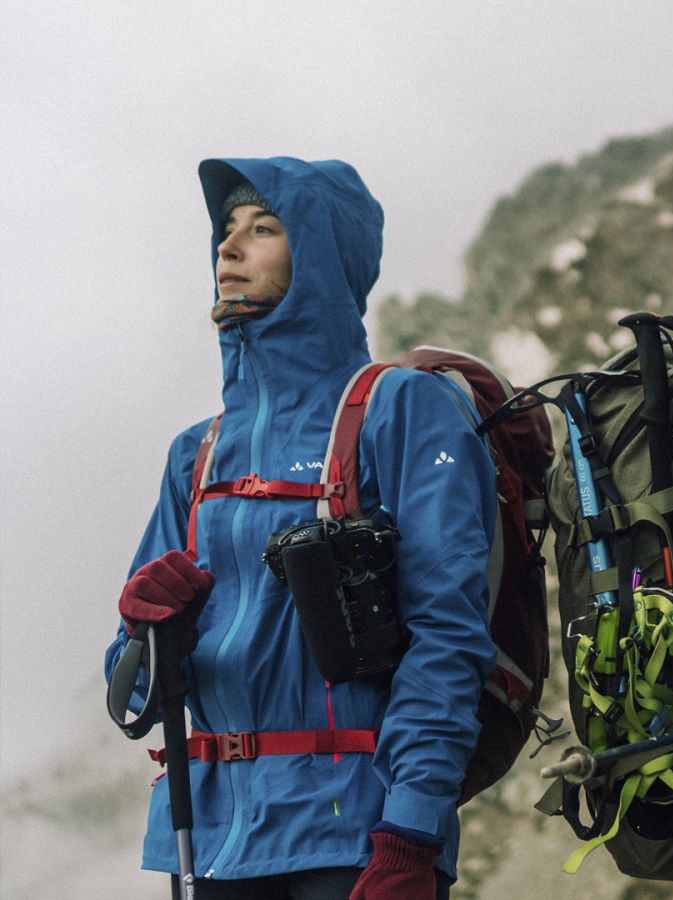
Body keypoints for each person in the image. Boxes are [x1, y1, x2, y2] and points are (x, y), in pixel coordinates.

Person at [105, 157, 497, 899]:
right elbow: (134, 698)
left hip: (355, 840)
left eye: (264, 229)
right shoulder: (196, 452)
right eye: (227, 231)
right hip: (212, 843)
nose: (229, 248)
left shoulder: (399, 409)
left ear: (318, 254)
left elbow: (447, 632)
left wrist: (411, 834)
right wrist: (144, 632)